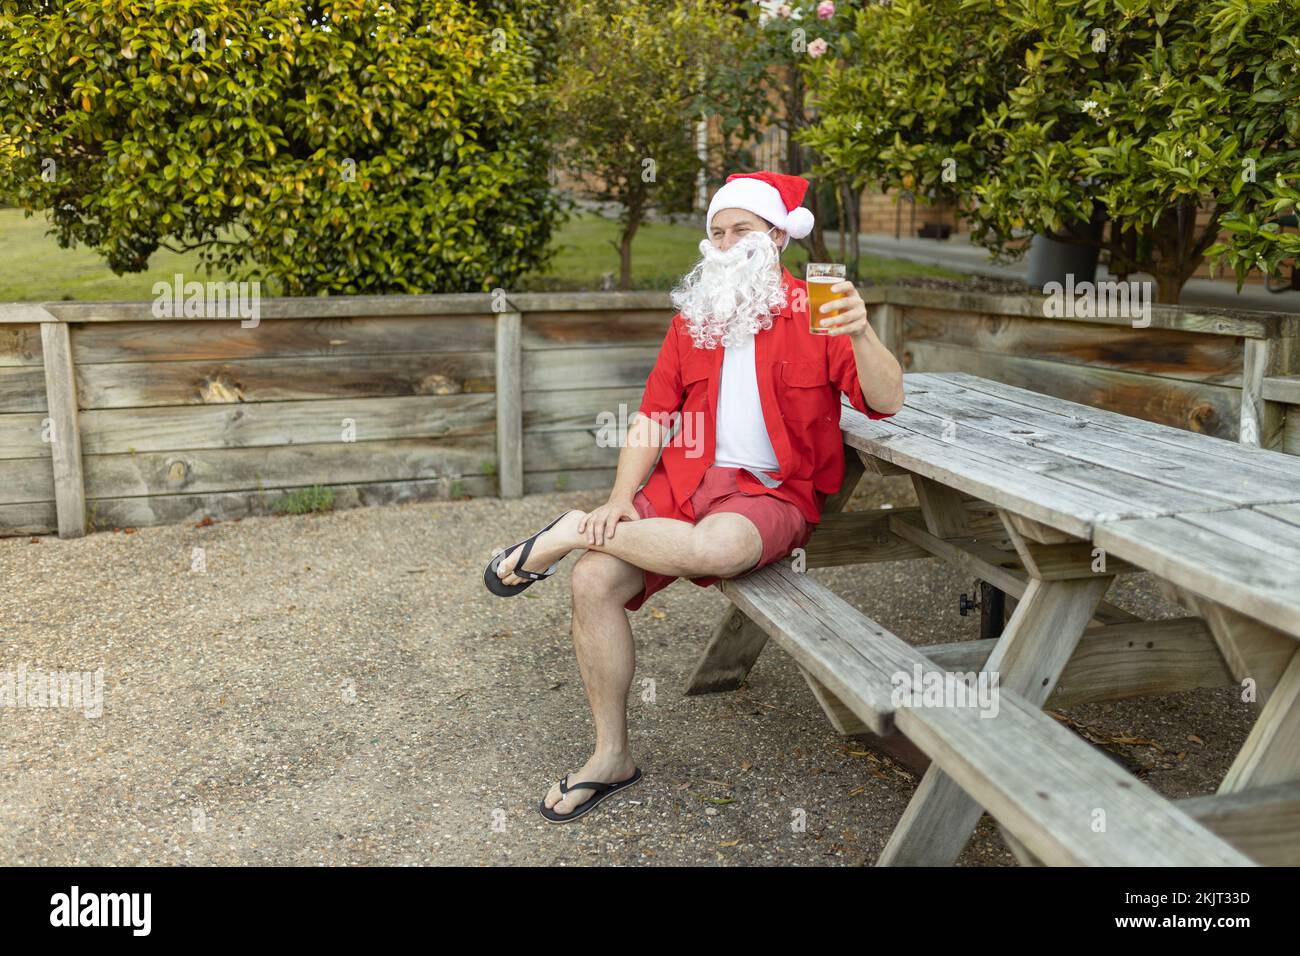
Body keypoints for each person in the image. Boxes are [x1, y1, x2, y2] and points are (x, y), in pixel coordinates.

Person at [486, 171, 905, 821]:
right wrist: (620, 497)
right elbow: (653, 416)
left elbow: (886, 400)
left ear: (777, 237)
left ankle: (567, 530)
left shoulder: (818, 311)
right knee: (592, 580)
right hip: (684, 485)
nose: (726, 242)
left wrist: (863, 333)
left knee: (719, 547)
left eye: (742, 229)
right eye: (717, 231)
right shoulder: (696, 319)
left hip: (771, 494)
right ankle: (611, 756)